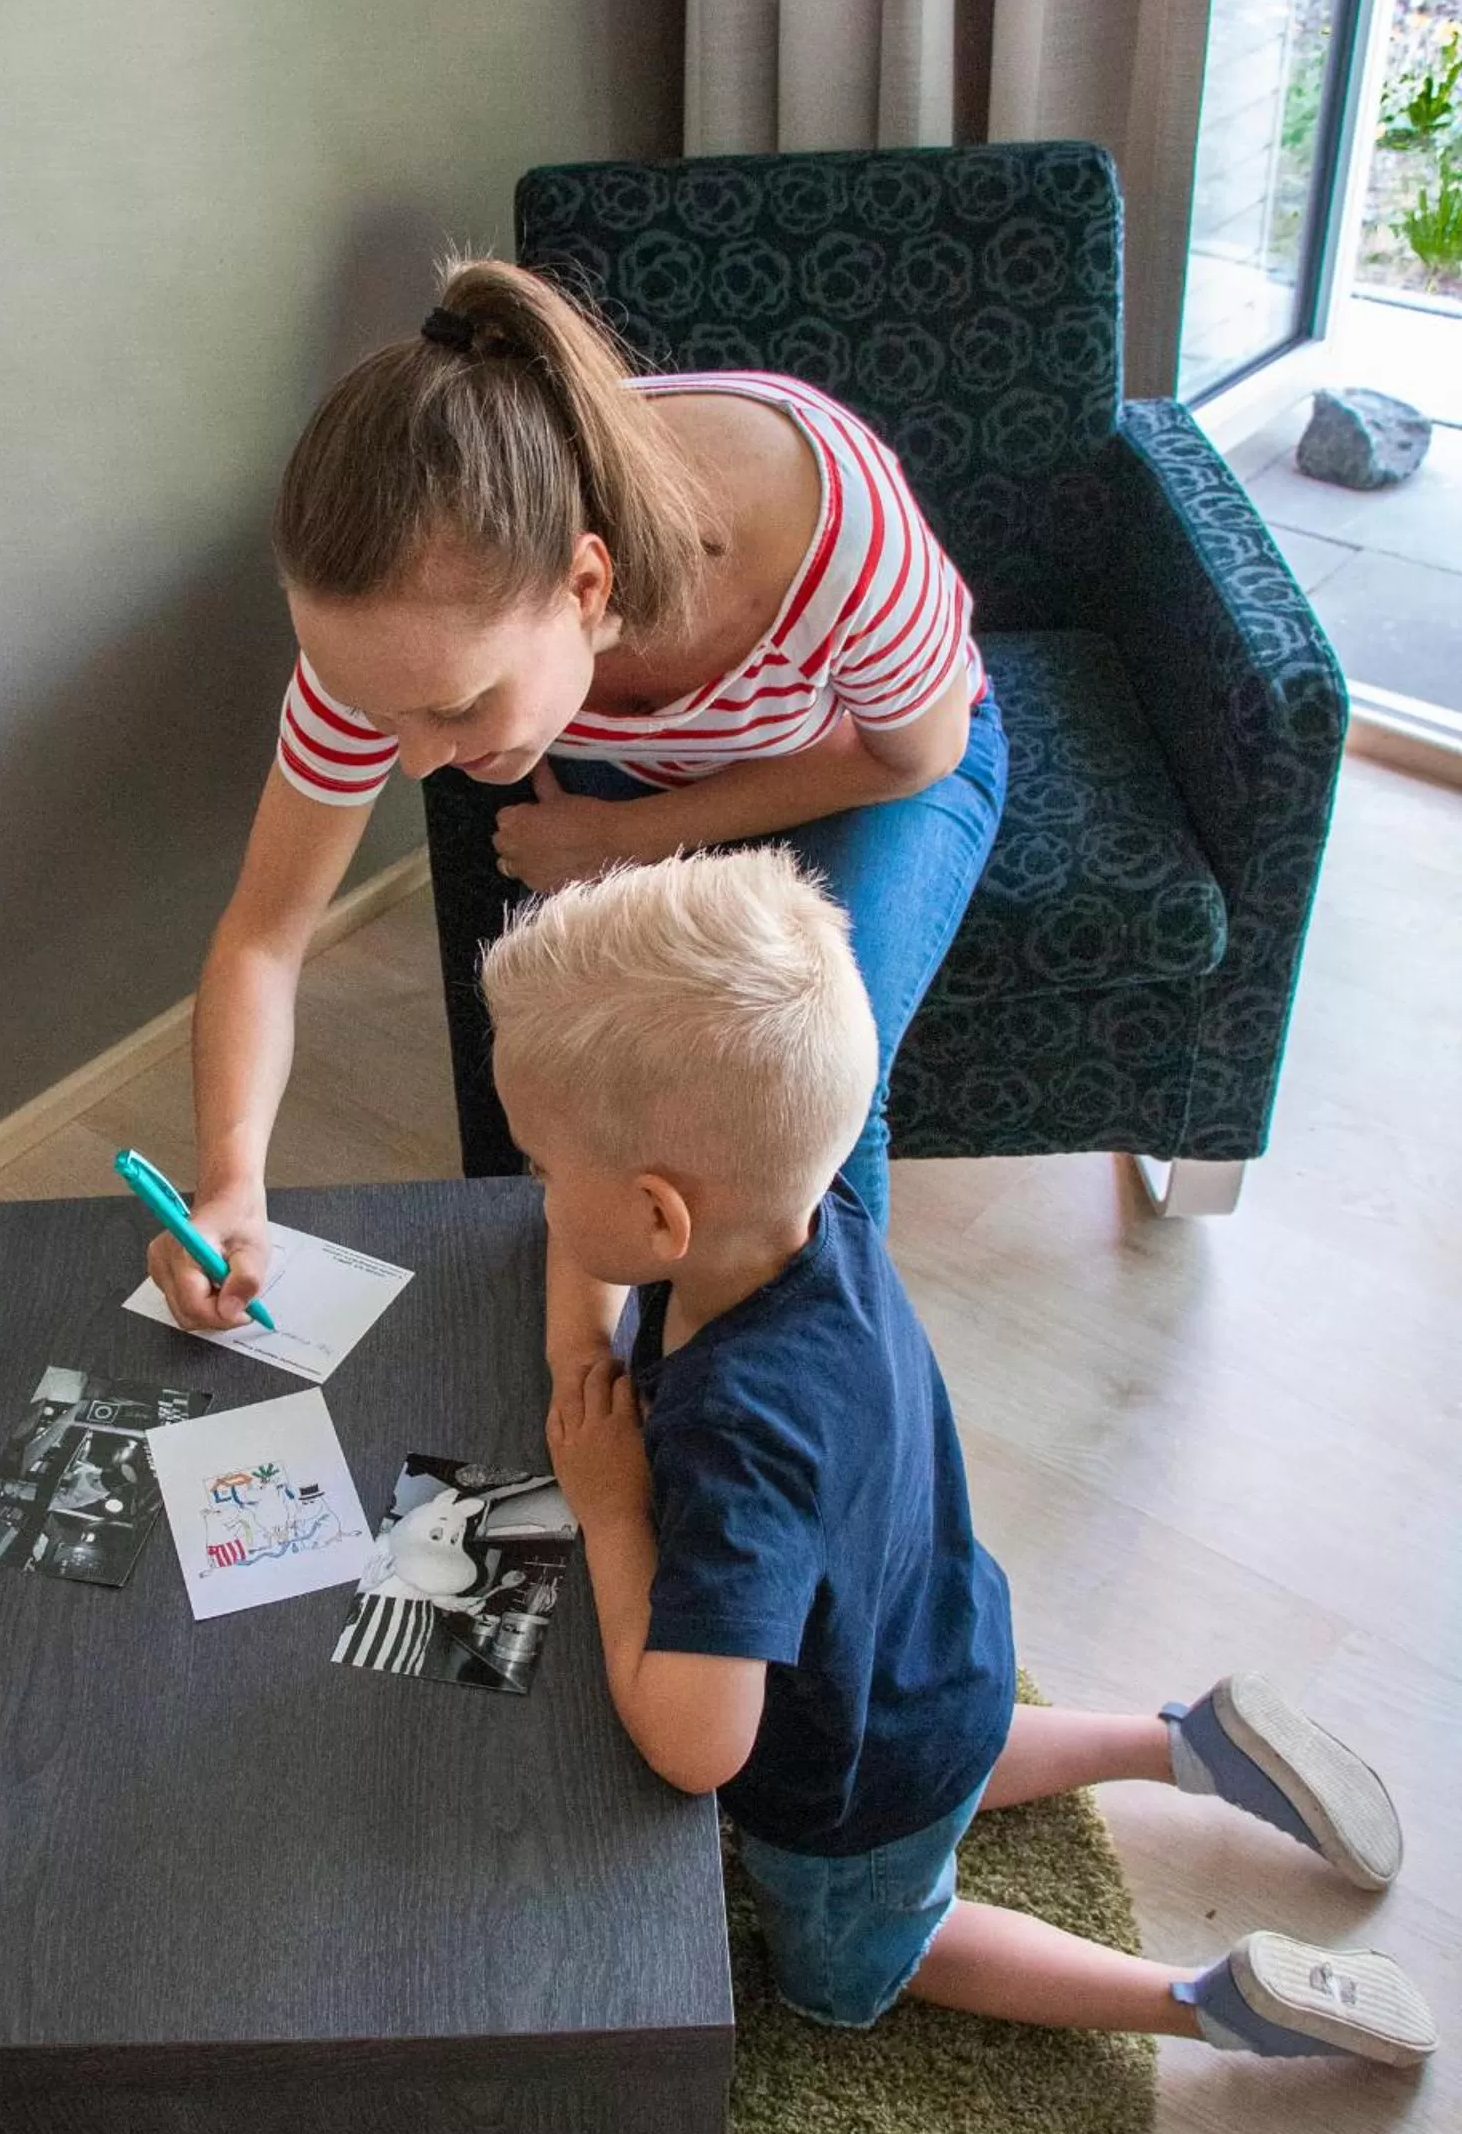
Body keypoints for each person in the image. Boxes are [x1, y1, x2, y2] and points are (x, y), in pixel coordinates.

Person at [479, 846, 1435, 2066]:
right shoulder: (814, 1216)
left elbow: (696, 1744)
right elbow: (611, 1243)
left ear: (664, 1214)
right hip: (938, 1649)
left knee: (866, 1955)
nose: (539, 1193)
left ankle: (1203, 2000)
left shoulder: (735, 1436)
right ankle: (1185, 1742)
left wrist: (613, 1512)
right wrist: (580, 1342)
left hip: (844, 1781)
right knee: (944, 1752)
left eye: (547, 1169)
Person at [146, 256, 1006, 1337]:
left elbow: (916, 753)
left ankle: (805, 1395)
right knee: (585, 1097)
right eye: (381, 711)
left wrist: (628, 838)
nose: (414, 763)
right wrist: (231, 1179)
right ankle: (593, 1364)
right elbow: (264, 939)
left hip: (870, 766)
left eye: (453, 710)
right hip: (637, 783)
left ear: (587, 584)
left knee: (792, 1086)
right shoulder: (382, 646)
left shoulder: (833, 525)